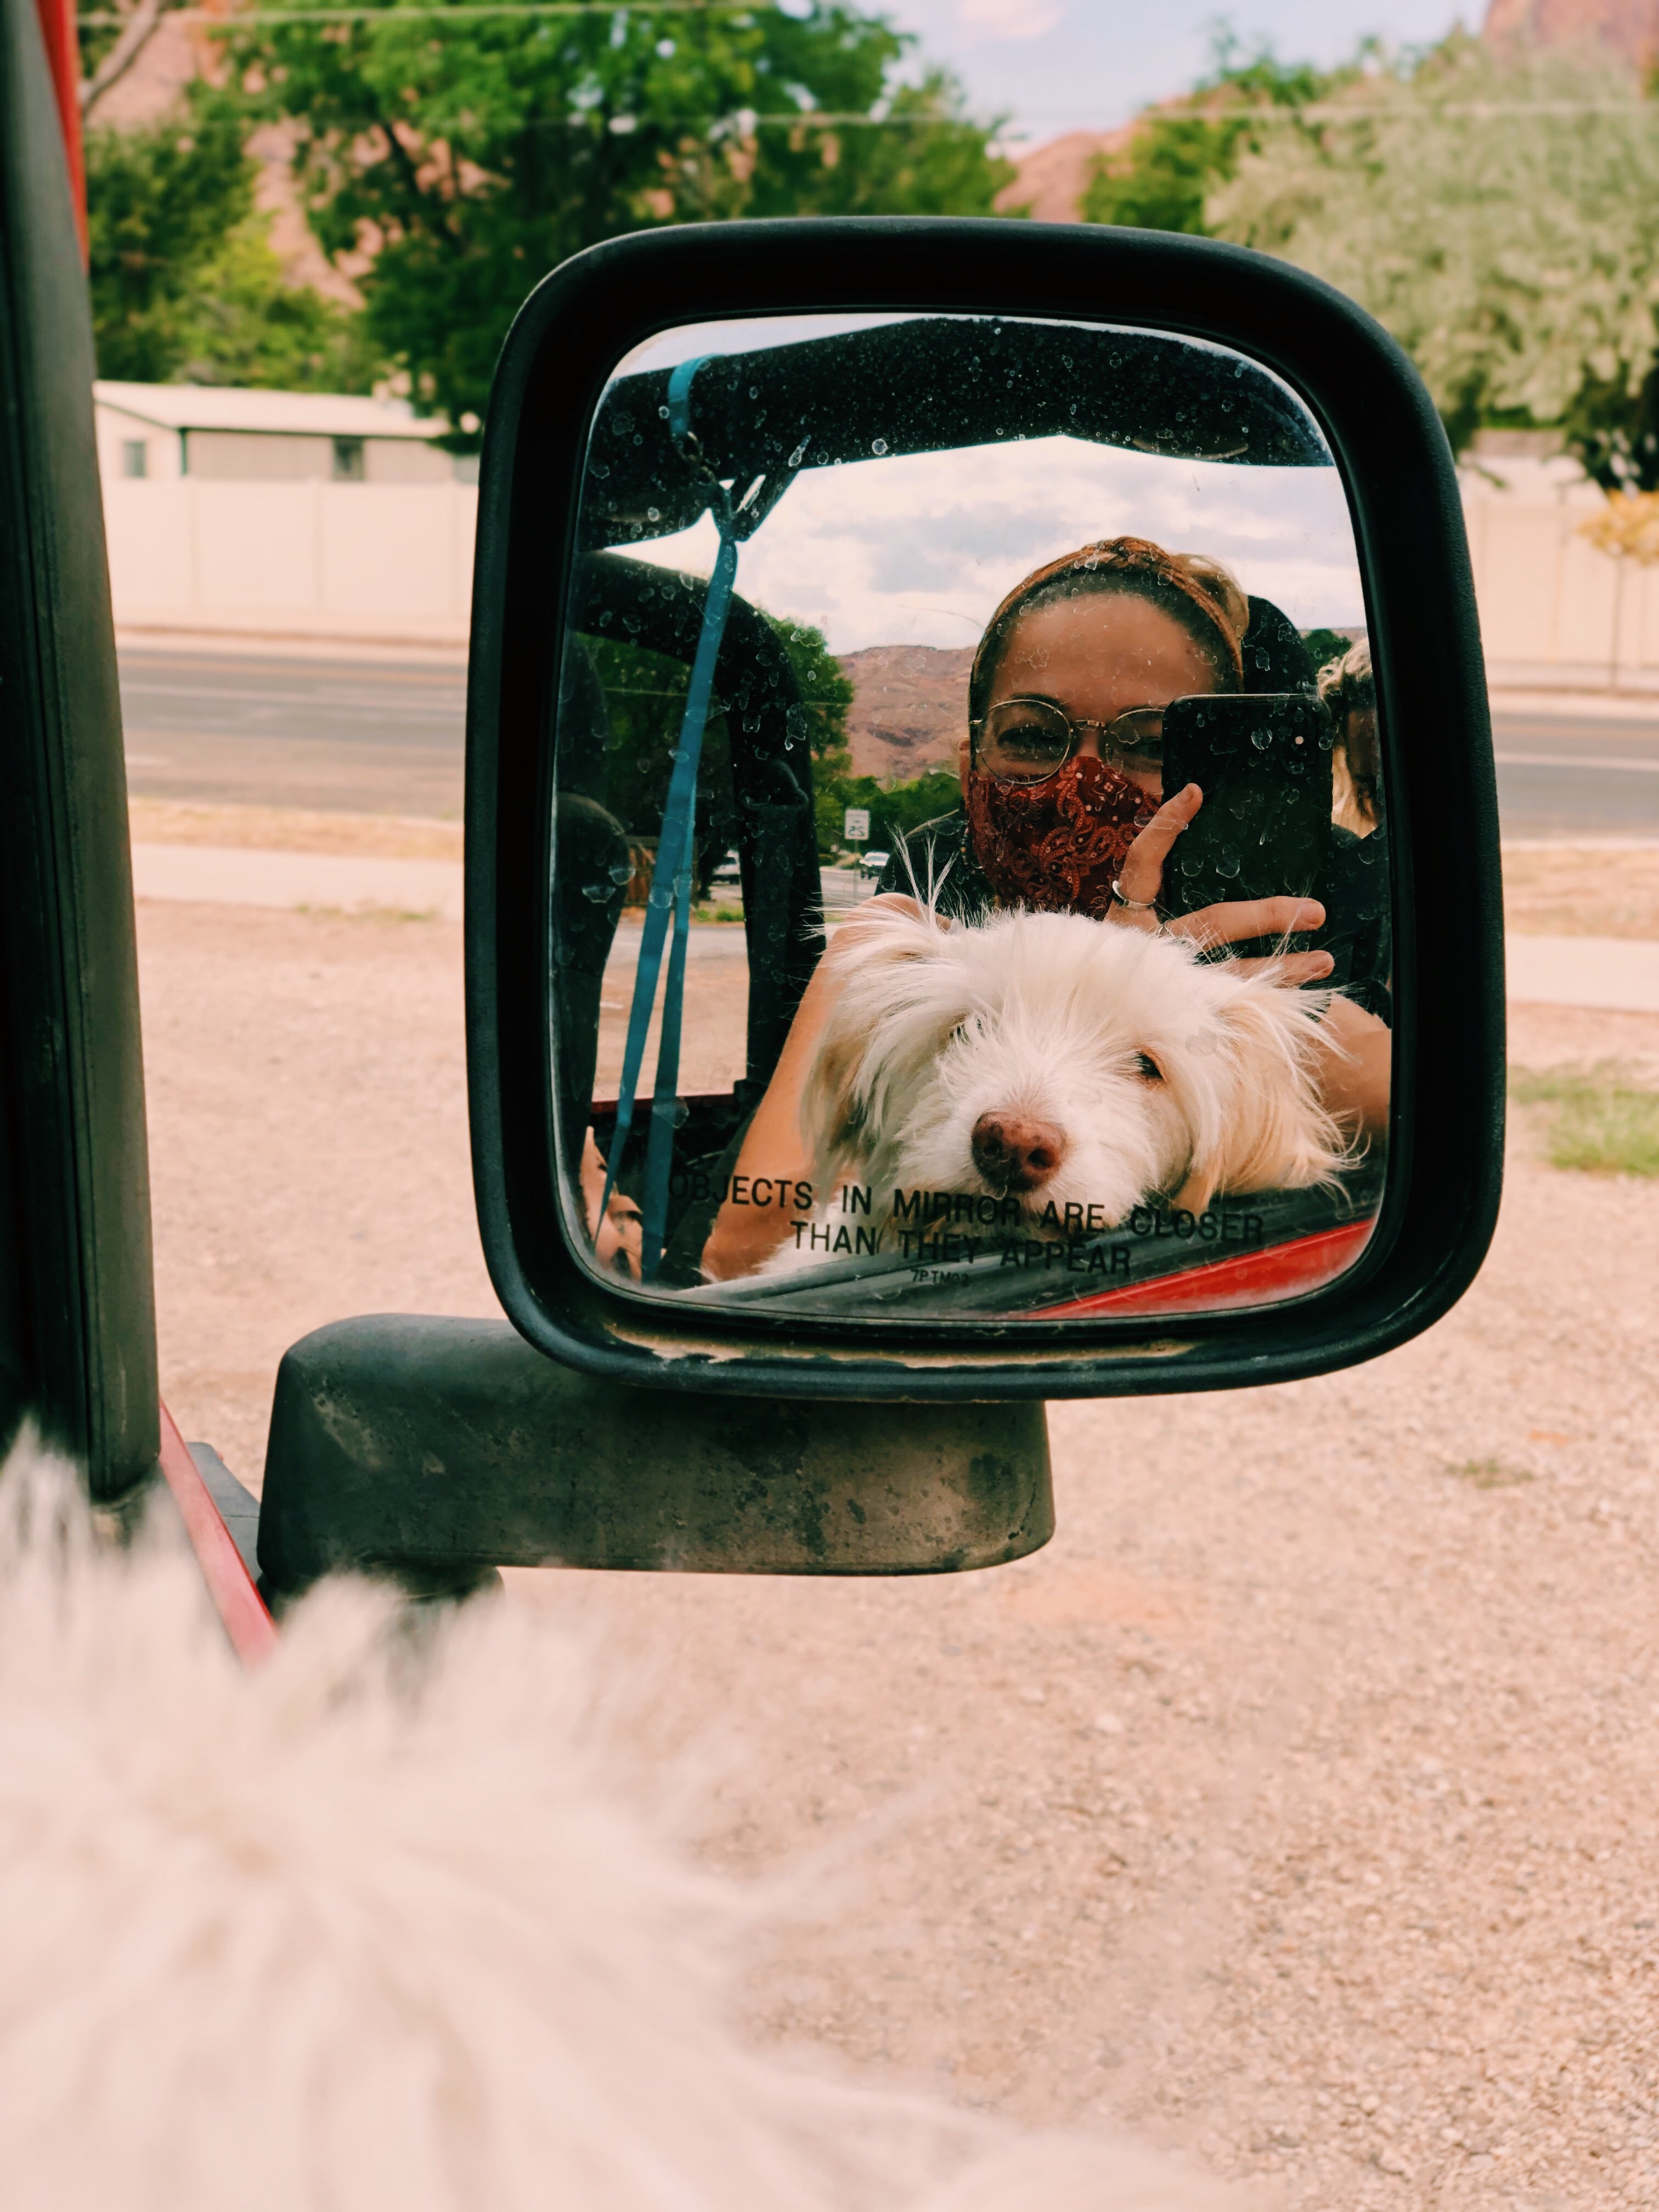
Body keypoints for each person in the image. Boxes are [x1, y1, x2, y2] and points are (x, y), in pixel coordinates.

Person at [699, 535, 1390, 1283]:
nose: (1087, 778)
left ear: (1210, 775)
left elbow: (1453, 1134)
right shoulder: (902, 944)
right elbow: (746, 1250)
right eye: (1033, 735)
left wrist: (1181, 1009)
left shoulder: (1255, 992)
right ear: (970, 764)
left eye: (1148, 745)